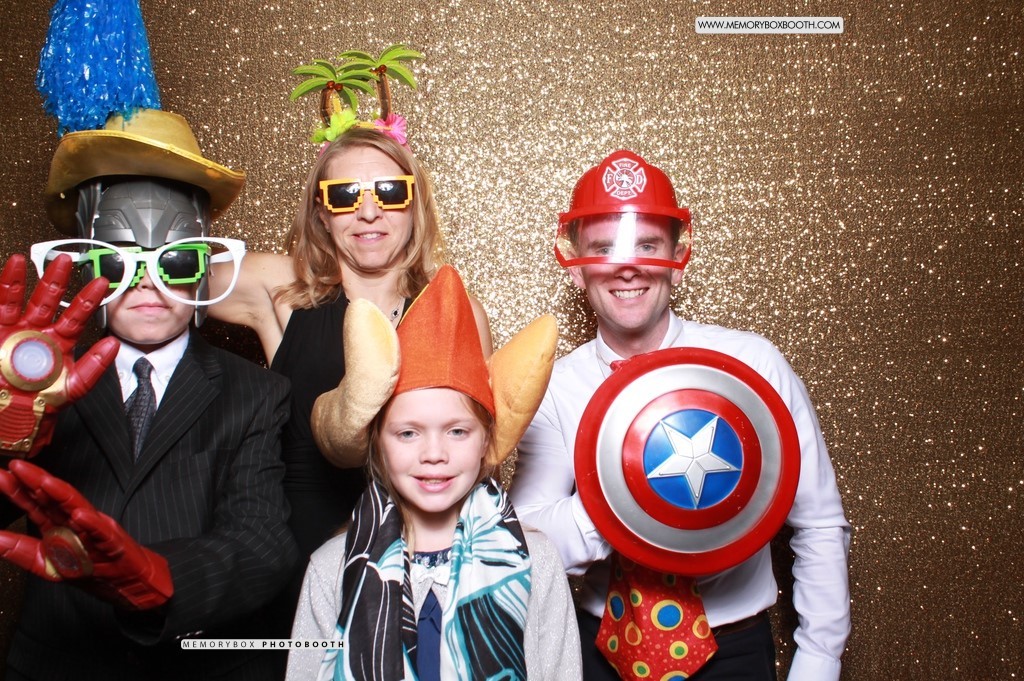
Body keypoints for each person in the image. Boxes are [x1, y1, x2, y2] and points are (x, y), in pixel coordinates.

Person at [509, 150, 851, 680]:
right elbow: (529, 543)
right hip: (601, 651)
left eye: (647, 245)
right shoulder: (554, 387)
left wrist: (819, 663)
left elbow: (818, 523)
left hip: (734, 653)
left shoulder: (752, 366)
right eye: (604, 248)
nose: (627, 267)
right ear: (576, 267)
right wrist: (626, 499)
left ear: (678, 254)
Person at [0, 108, 299, 680]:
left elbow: (263, 542)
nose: (148, 282)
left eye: (176, 259)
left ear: (204, 266)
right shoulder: (36, 381)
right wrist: (8, 437)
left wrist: (157, 578)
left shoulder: (256, 393)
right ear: (86, 265)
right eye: (119, 260)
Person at [208, 125, 494, 562]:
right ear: (322, 213)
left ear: (414, 204)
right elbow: (167, 273)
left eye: (389, 192)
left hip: (420, 561)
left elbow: (484, 455)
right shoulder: (284, 289)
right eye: (344, 195)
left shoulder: (457, 311)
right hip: (300, 559)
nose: (368, 212)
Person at [286, 265, 581, 680]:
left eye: (457, 431)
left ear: (486, 441)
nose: (434, 454)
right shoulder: (330, 569)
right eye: (408, 433)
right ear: (378, 444)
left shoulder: (537, 561)